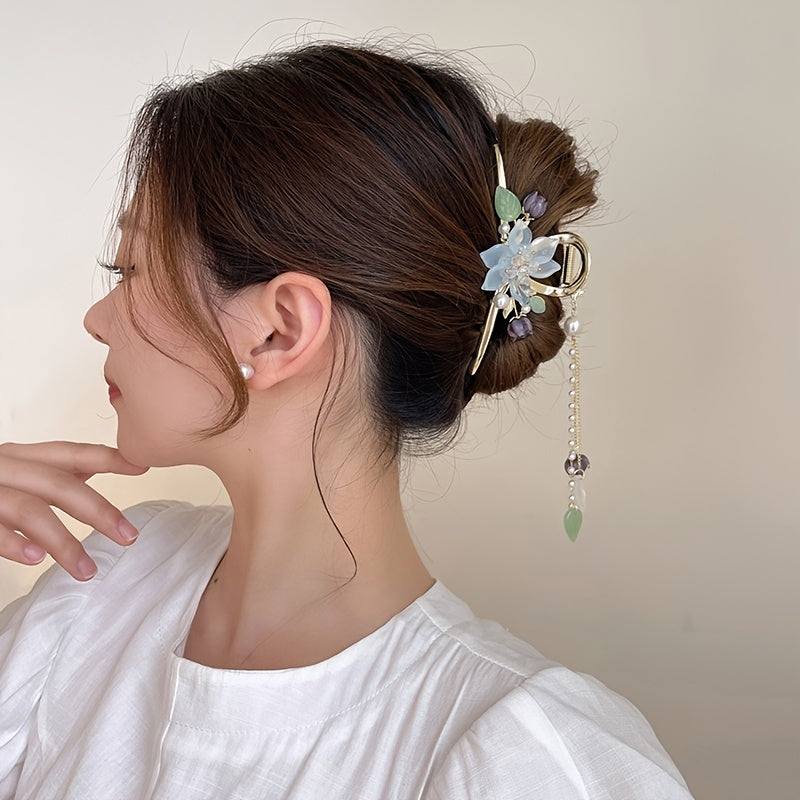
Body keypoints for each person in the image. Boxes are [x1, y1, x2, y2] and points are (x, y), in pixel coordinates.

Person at [0, 42, 693, 799]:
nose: (98, 319)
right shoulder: (102, 584)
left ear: (281, 331)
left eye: (130, 269)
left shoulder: (522, 756)